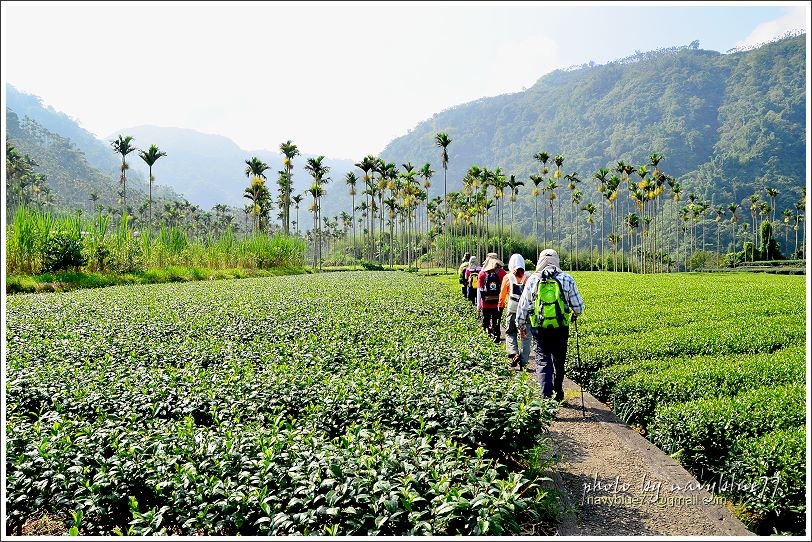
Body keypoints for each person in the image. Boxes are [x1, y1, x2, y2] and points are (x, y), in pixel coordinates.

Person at [516, 248, 584, 401]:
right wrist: (574, 315)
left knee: (542, 359)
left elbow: (523, 306)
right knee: (559, 360)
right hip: (561, 328)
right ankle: (558, 391)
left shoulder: (533, 279)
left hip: (540, 328)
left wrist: (521, 326)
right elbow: (579, 307)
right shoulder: (567, 279)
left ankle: (546, 397)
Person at [499, 253, 531, 371]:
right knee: (525, 336)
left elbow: (502, 294)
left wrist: (500, 305)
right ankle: (524, 362)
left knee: (510, 332)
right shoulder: (528, 278)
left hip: (512, 309)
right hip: (526, 311)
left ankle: (513, 353)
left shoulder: (507, 277)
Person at [477, 252, 506, 343]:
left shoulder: (482, 273)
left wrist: (478, 305)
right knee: (496, 321)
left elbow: (479, 289)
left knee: (486, 321)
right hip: (498, 303)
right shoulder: (502, 272)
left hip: (486, 303)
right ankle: (496, 336)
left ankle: (487, 337)